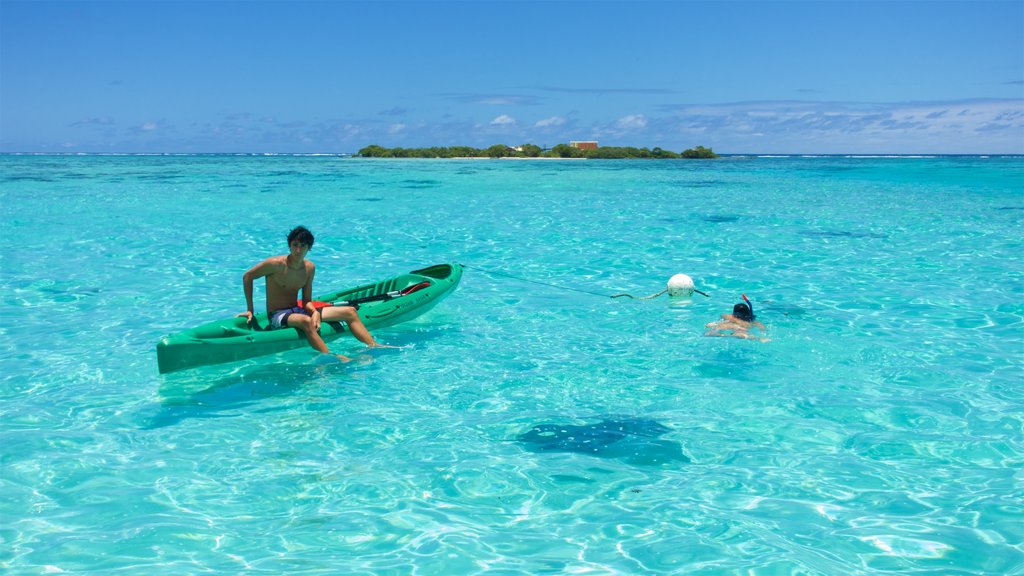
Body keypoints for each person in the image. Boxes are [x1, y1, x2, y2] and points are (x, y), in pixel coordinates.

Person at [236, 226, 389, 361]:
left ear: (309, 248)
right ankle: (330, 356)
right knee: (306, 321)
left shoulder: (309, 268)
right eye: (295, 245)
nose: (298, 250)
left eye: (302, 246)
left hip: (297, 310)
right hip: (278, 315)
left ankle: (373, 345)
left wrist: (314, 312)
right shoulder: (275, 264)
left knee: (349, 311)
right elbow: (247, 276)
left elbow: (307, 300)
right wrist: (250, 309)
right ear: (289, 245)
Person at [705, 295, 769, 342]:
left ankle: (722, 335)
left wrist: (714, 323)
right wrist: (763, 333)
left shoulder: (730, 317)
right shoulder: (752, 321)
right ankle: (758, 339)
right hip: (743, 329)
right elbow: (762, 327)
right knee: (742, 334)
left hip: (732, 326)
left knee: (712, 331)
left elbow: (722, 318)